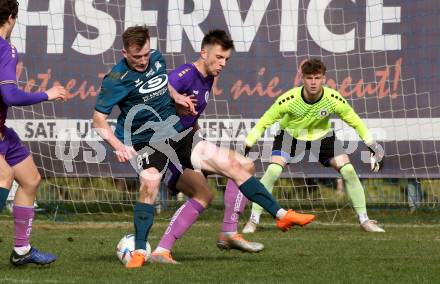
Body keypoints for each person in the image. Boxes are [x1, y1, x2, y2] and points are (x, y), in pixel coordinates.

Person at [93, 26, 315, 269]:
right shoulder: (115, 80)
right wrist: (118, 146)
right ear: (124, 52)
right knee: (150, 185)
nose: (143, 61)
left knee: (236, 164)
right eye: (137, 57)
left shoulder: (156, 58)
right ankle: (139, 252)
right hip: (146, 142)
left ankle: (282, 216)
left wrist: (176, 96)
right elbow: (98, 121)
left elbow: (162, 84)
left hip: (178, 133)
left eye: (146, 54)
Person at [150, 30, 263, 264]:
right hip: (163, 147)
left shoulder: (208, 77)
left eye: (226, 59)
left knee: (242, 166)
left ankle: (228, 232)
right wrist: (175, 99)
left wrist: (196, 144)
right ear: (204, 52)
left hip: (187, 144)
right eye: (219, 57)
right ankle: (161, 251)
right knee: (204, 192)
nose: (222, 64)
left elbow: (192, 118)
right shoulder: (185, 73)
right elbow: (162, 89)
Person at [242, 58, 385, 234]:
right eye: (309, 78)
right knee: (272, 171)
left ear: (324, 78)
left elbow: (355, 121)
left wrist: (372, 144)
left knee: (348, 170)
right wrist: (249, 141)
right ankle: (253, 221)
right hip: (290, 135)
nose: (313, 82)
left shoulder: (333, 98)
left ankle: (364, 221)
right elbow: (265, 120)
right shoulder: (289, 99)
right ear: (302, 78)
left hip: (322, 137)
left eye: (317, 78)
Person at [0, 0, 67, 266]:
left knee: (30, 179)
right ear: (12, 17)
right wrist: (47, 94)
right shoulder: (6, 48)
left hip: (3, 131)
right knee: (5, 175)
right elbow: (10, 94)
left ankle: (21, 250)